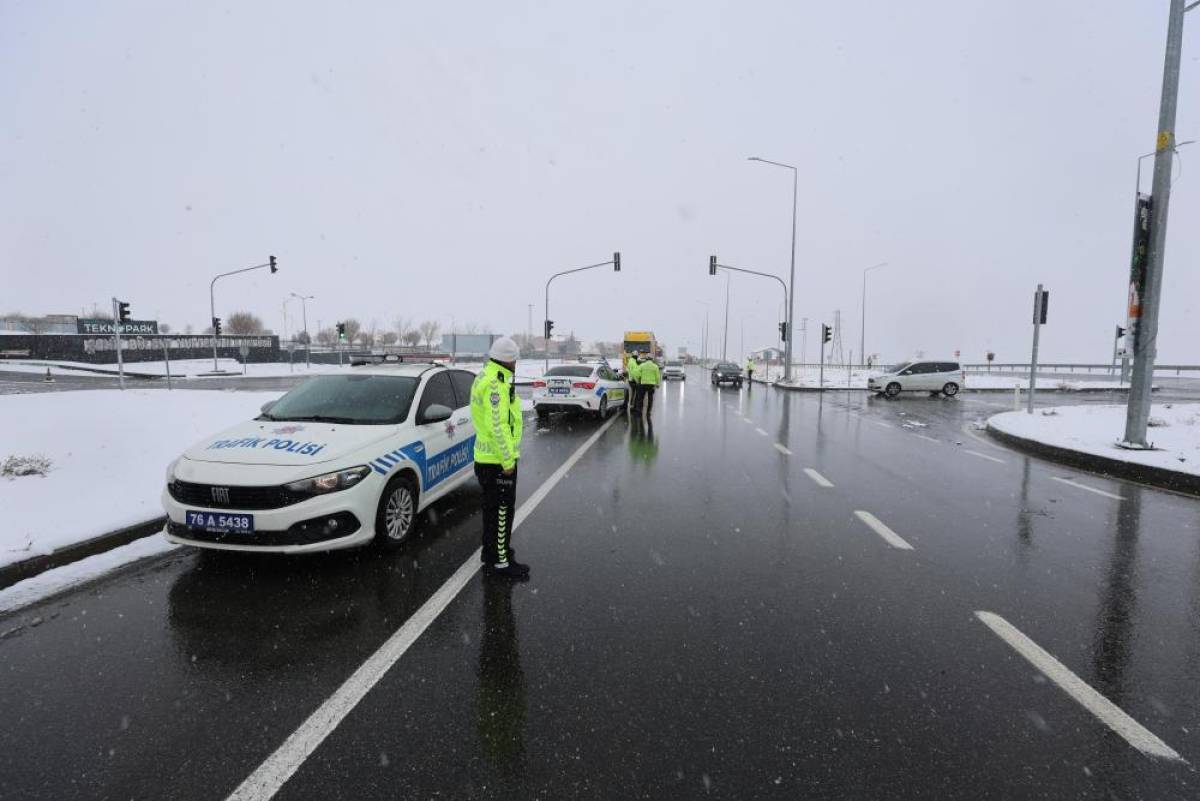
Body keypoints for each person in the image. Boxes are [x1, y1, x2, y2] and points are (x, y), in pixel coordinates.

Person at [470, 336, 528, 579]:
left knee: (492, 510)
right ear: (507, 360)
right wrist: (507, 461)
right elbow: (498, 426)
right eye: (514, 360)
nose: (516, 364)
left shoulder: (486, 375)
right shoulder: (496, 384)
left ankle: (492, 552)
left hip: (487, 458)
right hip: (496, 462)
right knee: (502, 511)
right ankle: (500, 563)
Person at [625, 351, 642, 417]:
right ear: (635, 356)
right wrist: (637, 381)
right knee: (637, 394)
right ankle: (633, 407)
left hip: (631, 379)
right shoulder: (633, 362)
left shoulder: (631, 361)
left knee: (632, 393)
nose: (637, 357)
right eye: (637, 356)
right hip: (633, 380)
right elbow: (634, 373)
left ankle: (629, 405)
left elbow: (629, 370)